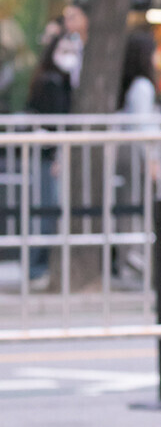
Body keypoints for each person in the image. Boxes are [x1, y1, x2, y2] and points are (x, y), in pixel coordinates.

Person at [24, 27, 74, 287]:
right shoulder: (50, 82)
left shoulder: (59, 80)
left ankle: (39, 267)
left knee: (48, 213)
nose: (69, 56)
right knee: (45, 214)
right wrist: (57, 156)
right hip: (49, 158)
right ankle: (37, 268)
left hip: (52, 157)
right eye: (63, 50)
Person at [114, 29, 161, 283]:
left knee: (130, 209)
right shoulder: (143, 86)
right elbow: (144, 125)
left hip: (129, 154)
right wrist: (152, 160)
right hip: (139, 156)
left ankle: (128, 263)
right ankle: (134, 266)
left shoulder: (130, 84)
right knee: (138, 210)